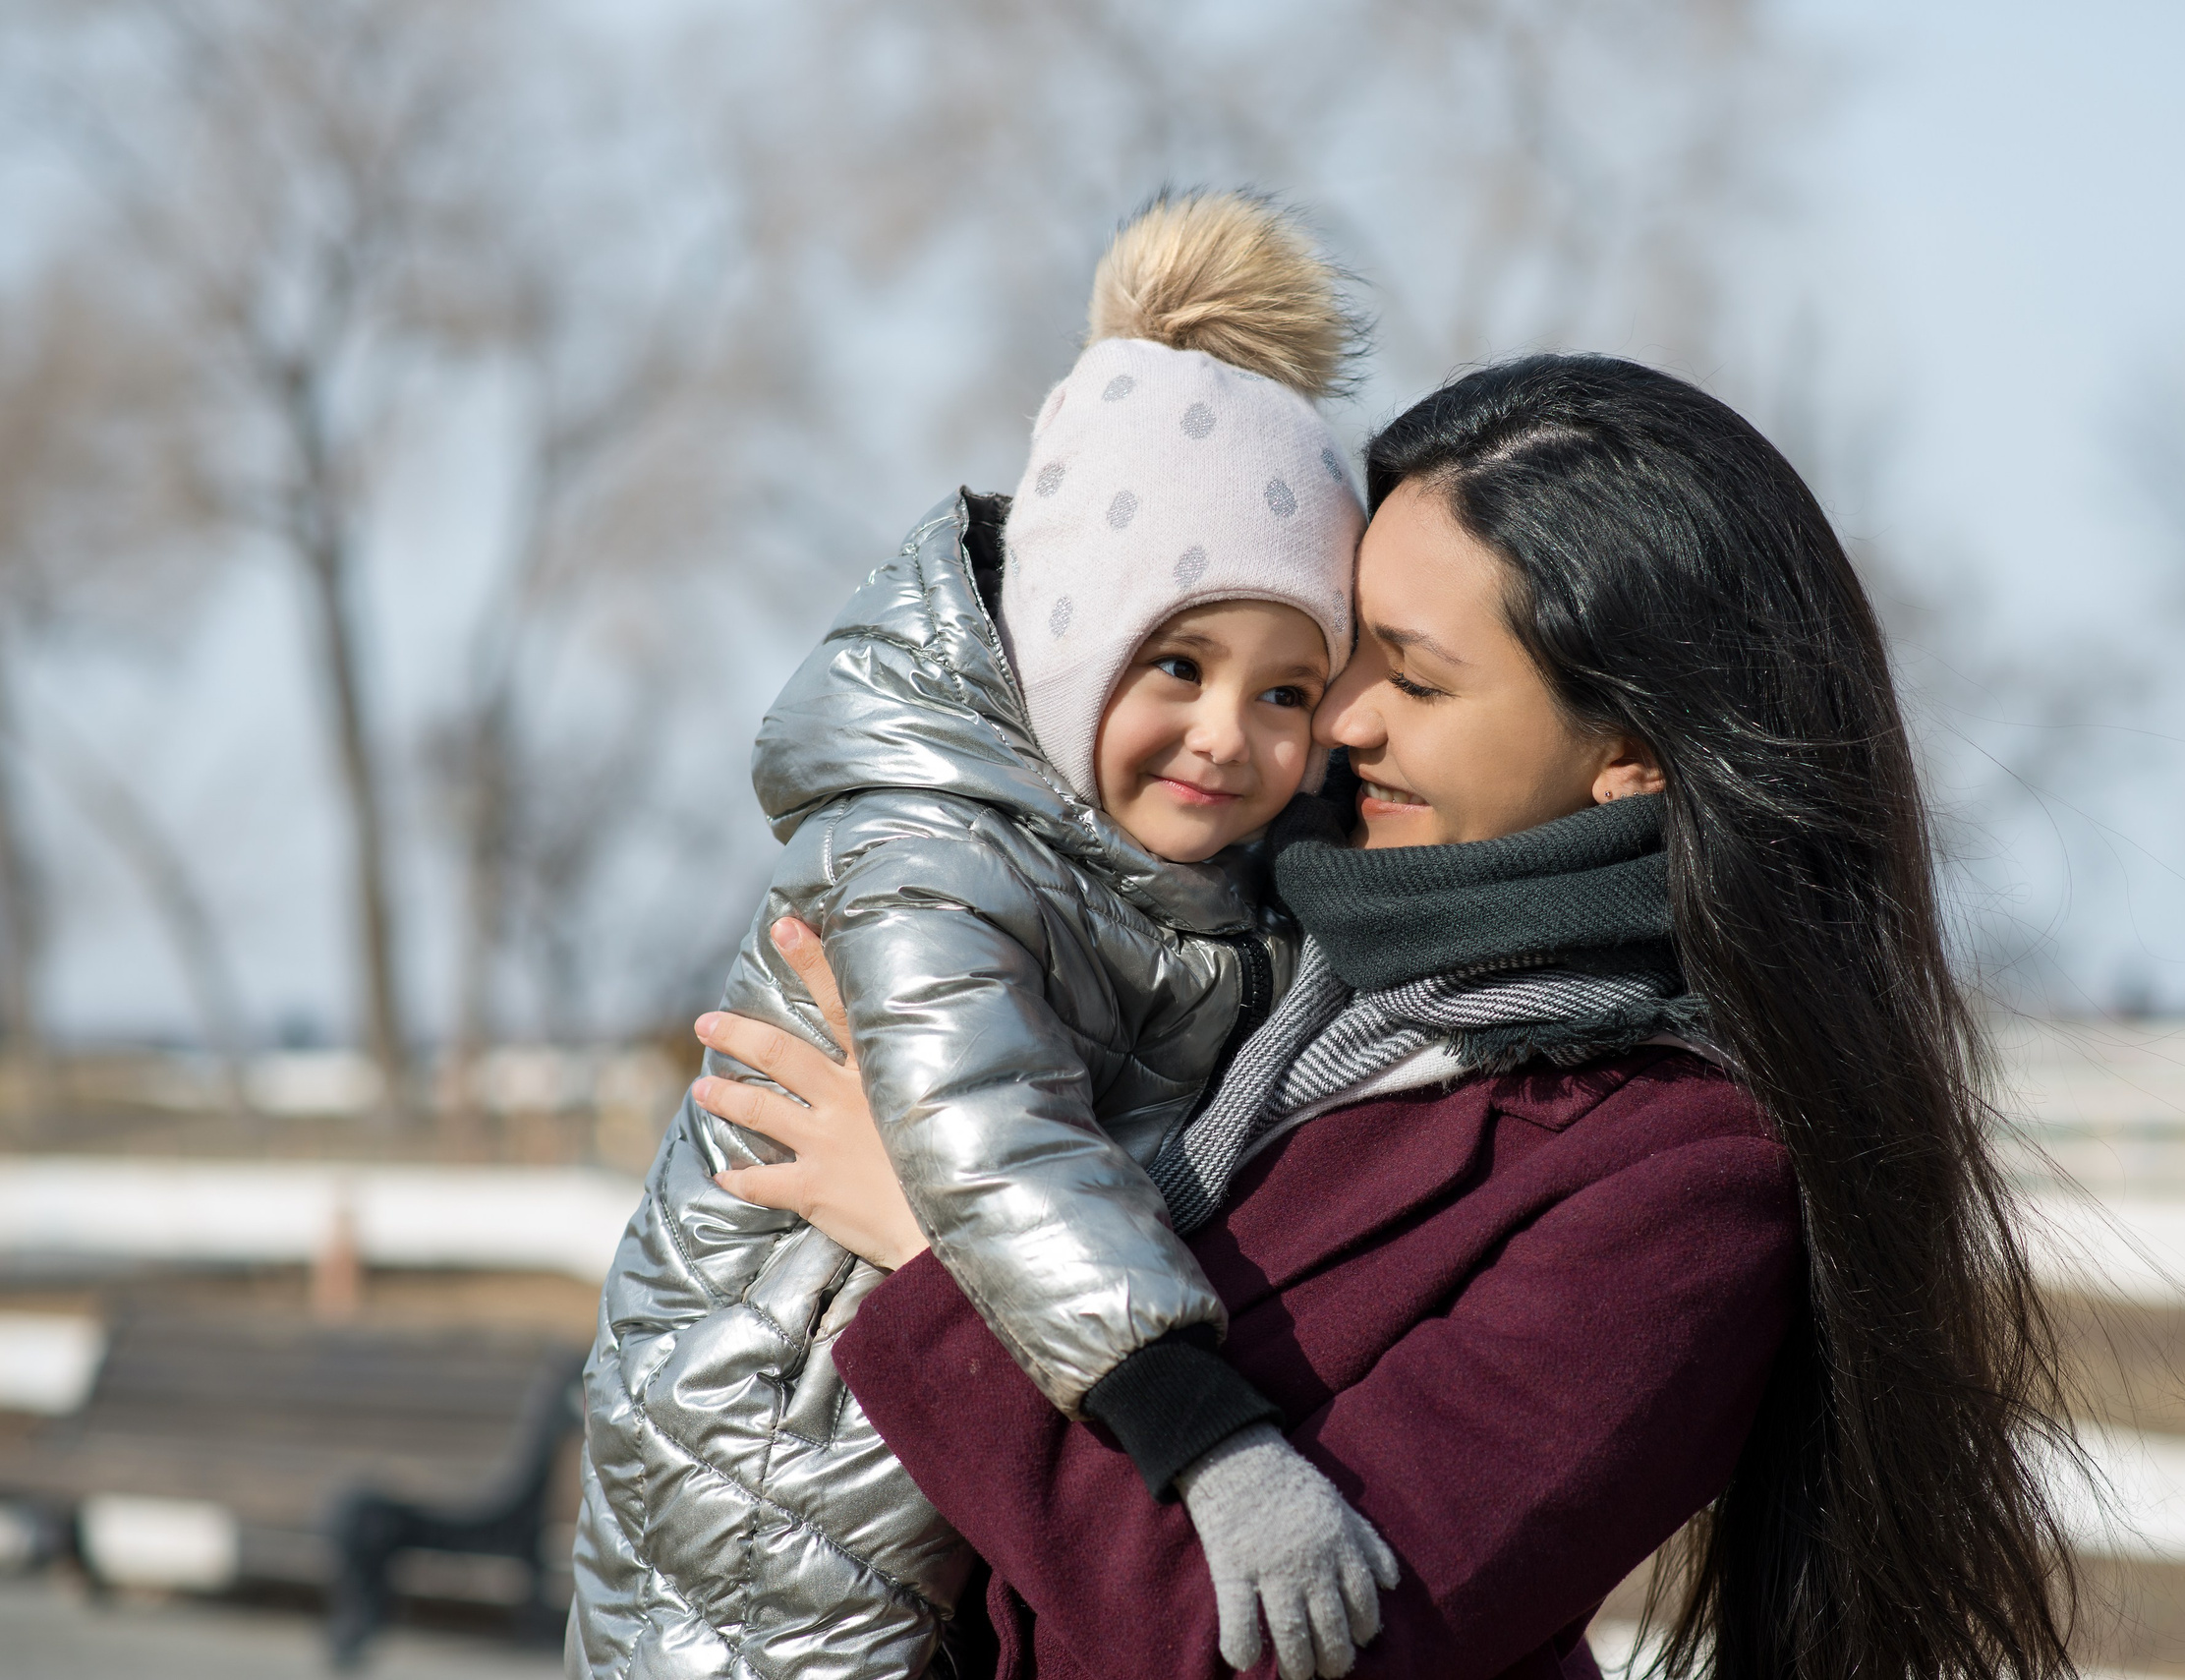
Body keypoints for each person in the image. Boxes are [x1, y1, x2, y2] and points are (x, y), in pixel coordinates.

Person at [701, 354, 2083, 1679]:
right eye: (1350, 653)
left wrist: (935, 1248)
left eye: (1415, 678)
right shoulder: (1260, 955)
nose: (1341, 717)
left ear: (1633, 755)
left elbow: (1281, 1657)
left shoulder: (1686, 1184)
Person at [570, 192, 1400, 1680]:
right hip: (769, 1470)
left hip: (925, 1448)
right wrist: (1203, 1433)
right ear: (1071, 645)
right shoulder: (929, 847)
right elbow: (990, 1136)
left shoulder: (1188, 883)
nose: (1230, 733)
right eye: (1181, 661)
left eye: (1289, 691)